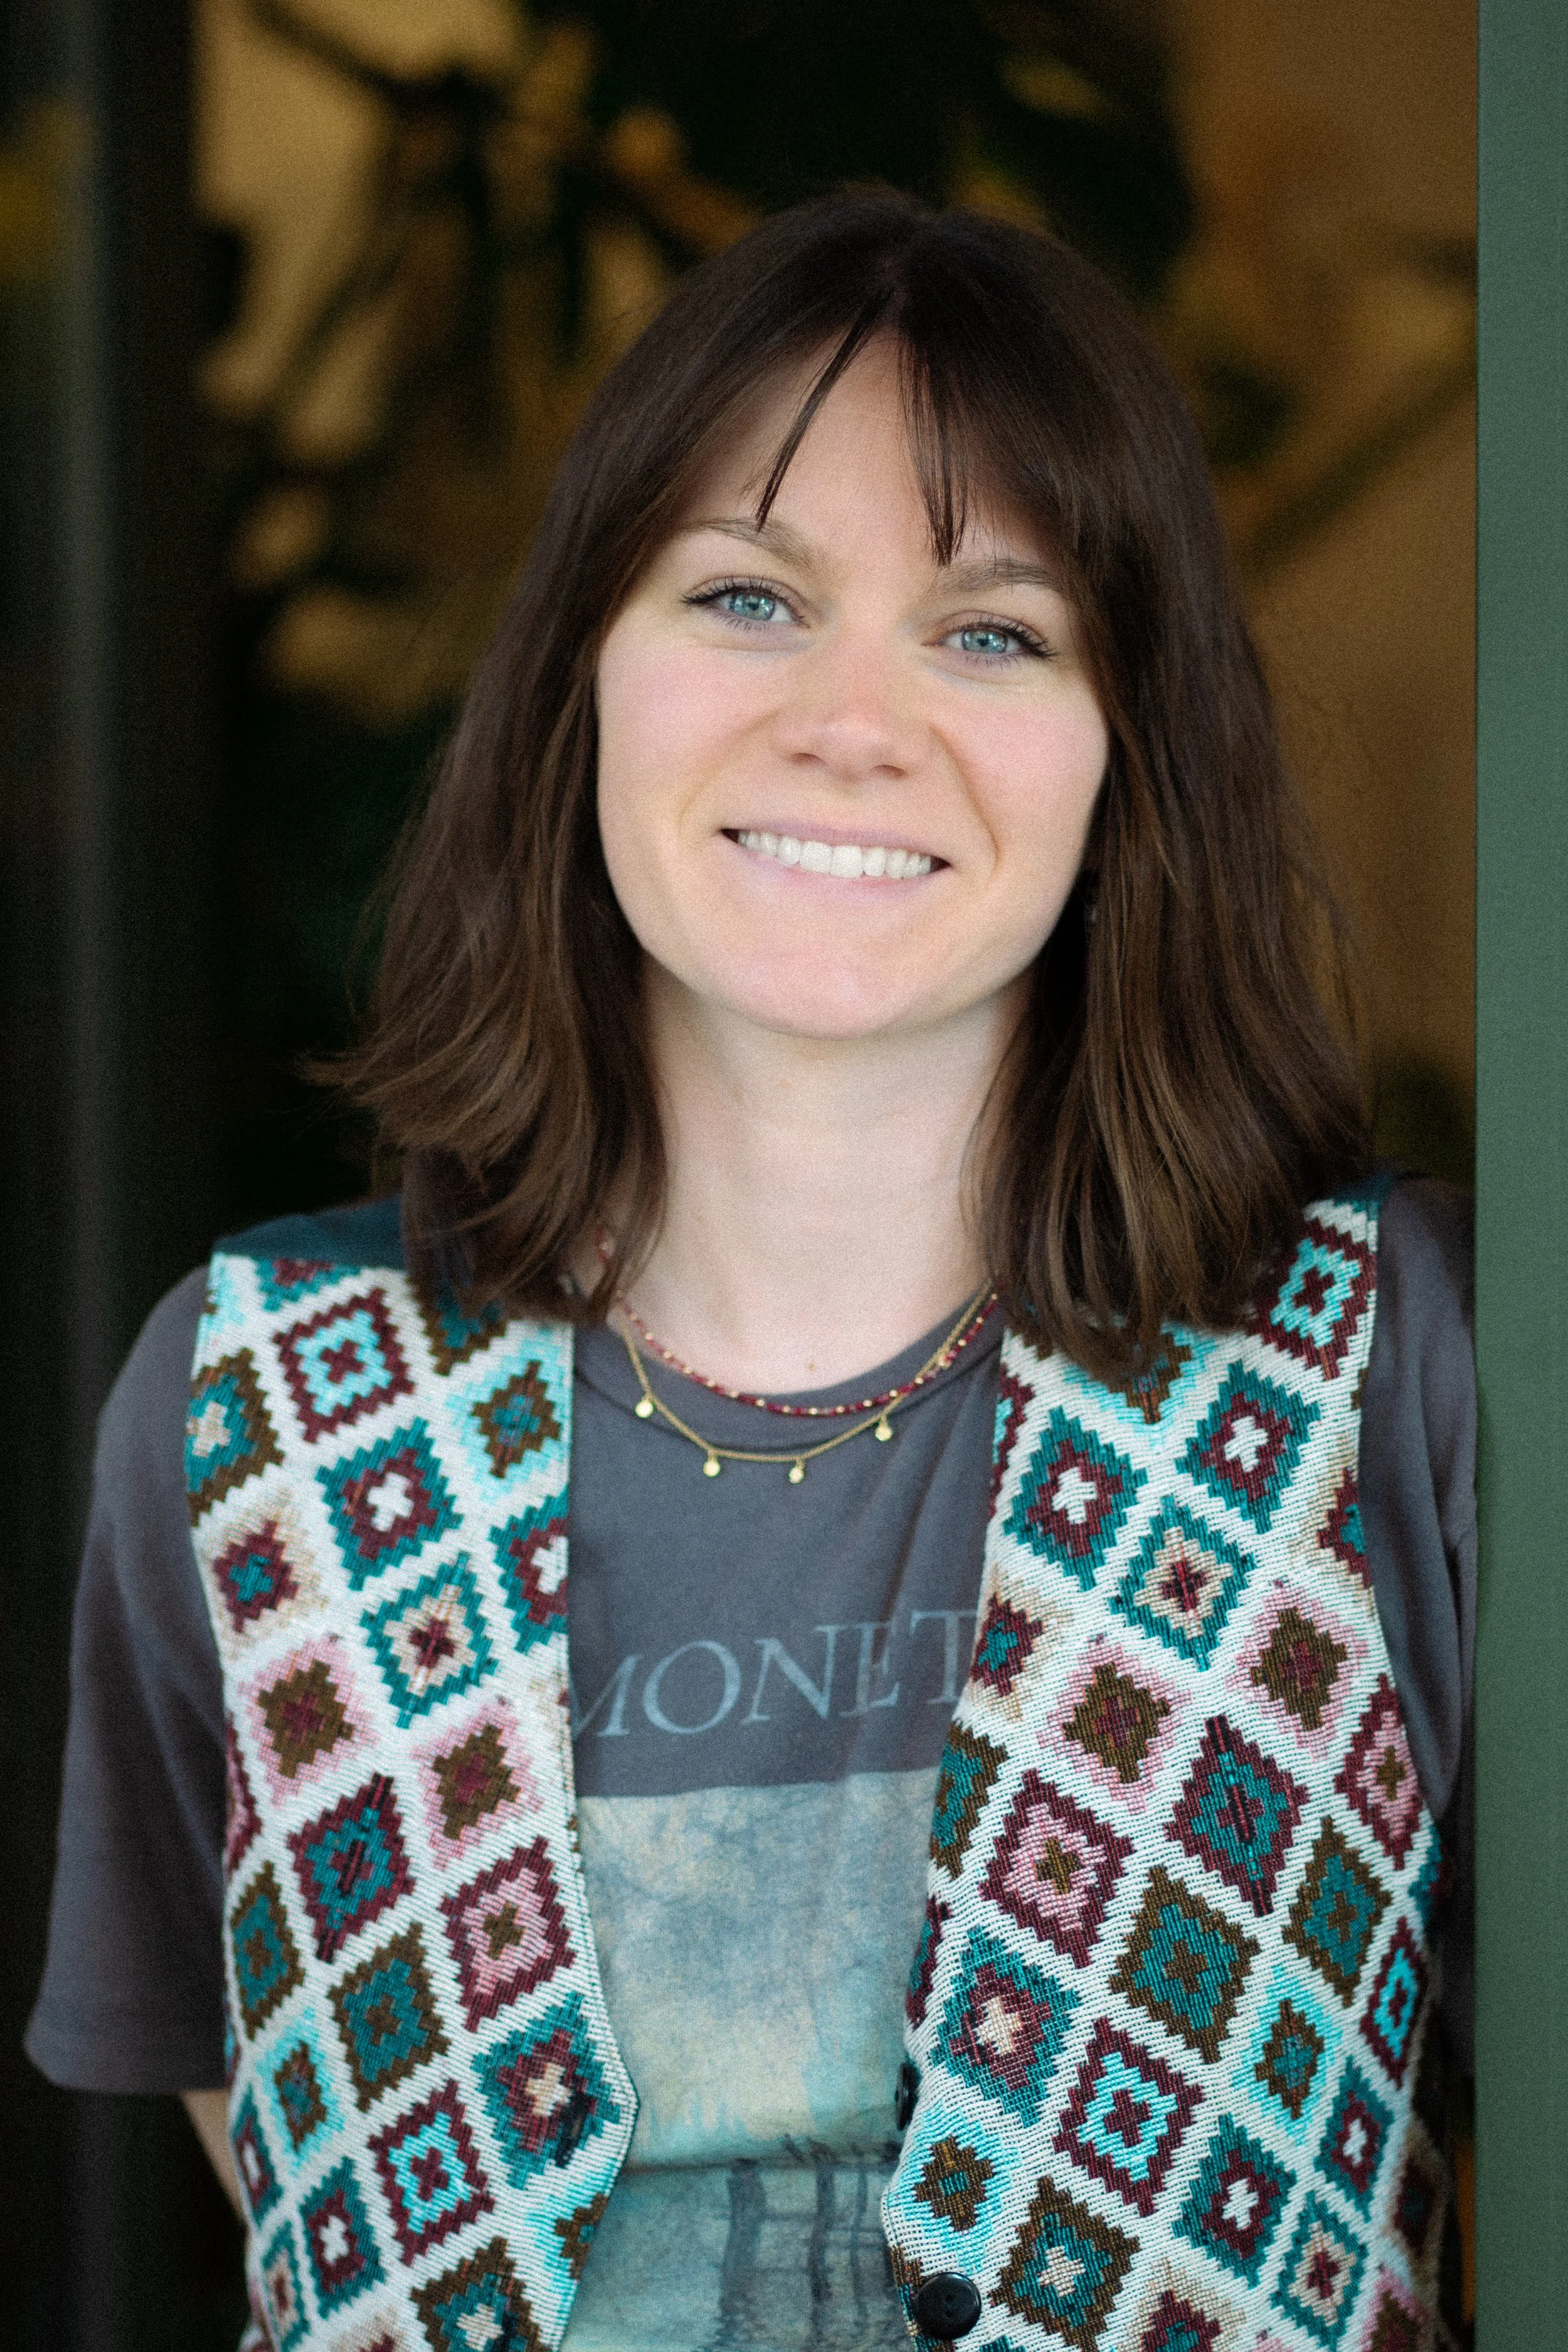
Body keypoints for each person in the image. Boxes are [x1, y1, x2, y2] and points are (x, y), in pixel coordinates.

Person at [28, 193, 1474, 2352]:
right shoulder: (261, 1413)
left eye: (993, 632)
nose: (850, 720)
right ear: (577, 681)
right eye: (745, 595)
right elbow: (277, 2142)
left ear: (1126, 751)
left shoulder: (1374, 1368)